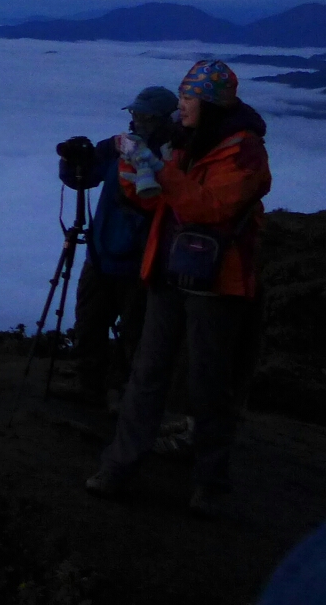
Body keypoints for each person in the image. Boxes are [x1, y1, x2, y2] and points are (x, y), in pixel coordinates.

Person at [87, 60, 270, 518]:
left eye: (187, 98)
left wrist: (158, 168)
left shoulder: (244, 151)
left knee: (209, 382)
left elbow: (207, 207)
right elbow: (150, 201)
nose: (181, 106)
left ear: (208, 102)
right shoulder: (184, 144)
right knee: (147, 373)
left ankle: (211, 481)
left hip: (217, 282)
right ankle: (119, 465)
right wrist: (136, 169)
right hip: (169, 271)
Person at [58, 86, 178, 405]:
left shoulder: (174, 156)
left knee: (135, 334)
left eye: (145, 116)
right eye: (135, 114)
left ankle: (125, 395)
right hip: (103, 254)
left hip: (141, 259)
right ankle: (91, 387)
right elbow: (81, 178)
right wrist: (72, 161)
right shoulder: (118, 147)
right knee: (89, 325)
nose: (137, 121)